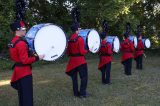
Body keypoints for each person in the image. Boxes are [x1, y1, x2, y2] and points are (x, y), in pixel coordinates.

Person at [9, 20, 44, 106]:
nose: (25, 30)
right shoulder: (21, 43)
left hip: (18, 71)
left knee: (22, 94)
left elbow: (17, 56)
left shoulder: (13, 41)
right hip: (24, 72)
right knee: (27, 95)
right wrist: (37, 57)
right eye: (23, 29)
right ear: (17, 30)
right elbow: (25, 60)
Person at [65, 22, 89, 98]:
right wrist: (88, 50)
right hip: (80, 61)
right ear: (77, 30)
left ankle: (75, 93)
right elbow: (82, 52)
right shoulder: (80, 39)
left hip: (72, 61)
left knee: (74, 78)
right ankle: (82, 93)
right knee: (84, 77)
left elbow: (68, 52)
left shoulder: (70, 39)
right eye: (79, 28)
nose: (80, 30)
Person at [98, 20, 113, 84]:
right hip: (107, 59)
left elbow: (98, 51)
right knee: (108, 71)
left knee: (103, 70)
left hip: (102, 58)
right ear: (105, 37)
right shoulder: (108, 44)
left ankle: (103, 81)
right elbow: (109, 52)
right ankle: (107, 81)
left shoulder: (99, 44)